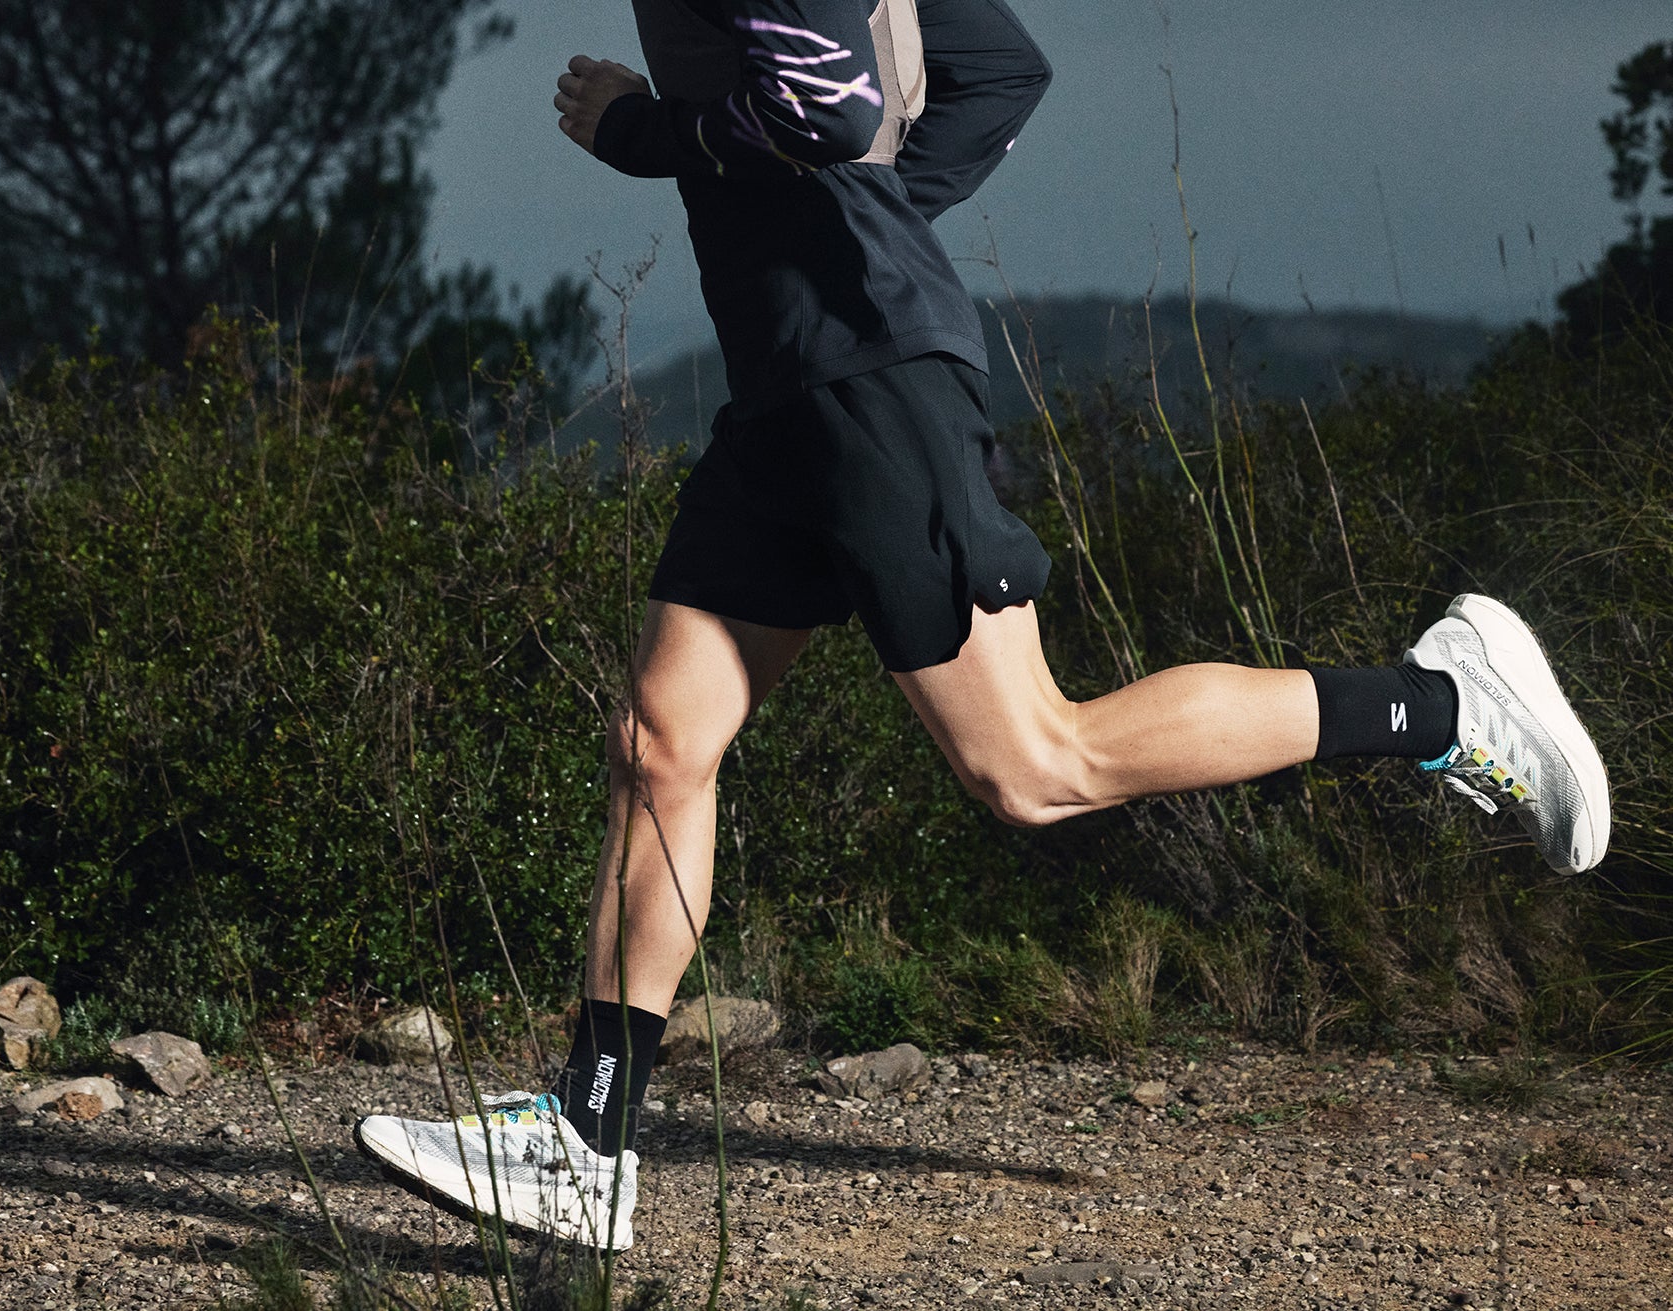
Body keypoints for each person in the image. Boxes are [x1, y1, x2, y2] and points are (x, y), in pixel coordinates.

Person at [354, 0, 1609, 1252]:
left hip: (868, 380)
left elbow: (828, 106)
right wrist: (873, 218)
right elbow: (997, 67)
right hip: (788, 384)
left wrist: (642, 131)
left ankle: (1441, 703)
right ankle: (584, 1141)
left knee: (1036, 766)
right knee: (660, 744)